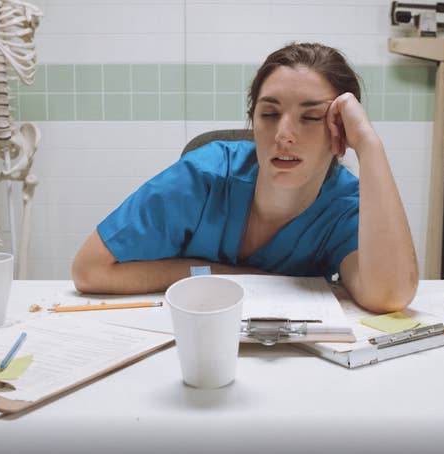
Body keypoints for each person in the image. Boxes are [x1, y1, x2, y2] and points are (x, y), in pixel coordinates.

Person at [72, 42, 418, 313]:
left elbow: (389, 295)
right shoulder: (201, 178)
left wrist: (369, 145)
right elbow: (89, 270)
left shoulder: (343, 206)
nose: (284, 134)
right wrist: (234, 278)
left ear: (339, 131)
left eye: (311, 117)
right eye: (269, 113)